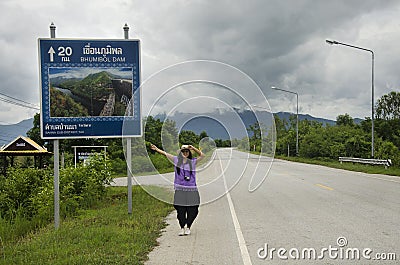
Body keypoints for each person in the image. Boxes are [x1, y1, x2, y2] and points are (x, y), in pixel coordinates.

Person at [150, 143, 204, 236]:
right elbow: (165, 154)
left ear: (189, 152)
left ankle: (188, 227)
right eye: (183, 151)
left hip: (192, 190)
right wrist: (157, 149)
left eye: (187, 151)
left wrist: (193, 148)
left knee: (193, 209)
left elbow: (202, 156)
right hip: (180, 190)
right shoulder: (176, 160)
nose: (185, 153)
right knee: (180, 210)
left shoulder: (192, 162)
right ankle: (182, 227)